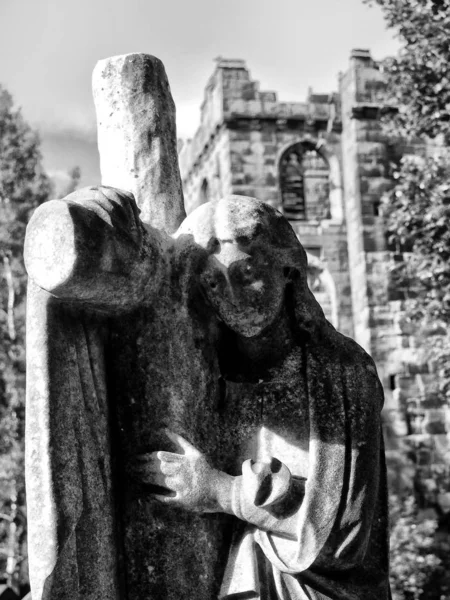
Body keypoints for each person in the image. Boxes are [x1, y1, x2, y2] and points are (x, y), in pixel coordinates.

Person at [136, 195, 391, 600]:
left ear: (287, 269)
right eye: (215, 282)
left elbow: (343, 535)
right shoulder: (205, 375)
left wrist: (221, 491)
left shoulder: (342, 373)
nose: (233, 297)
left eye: (247, 273)